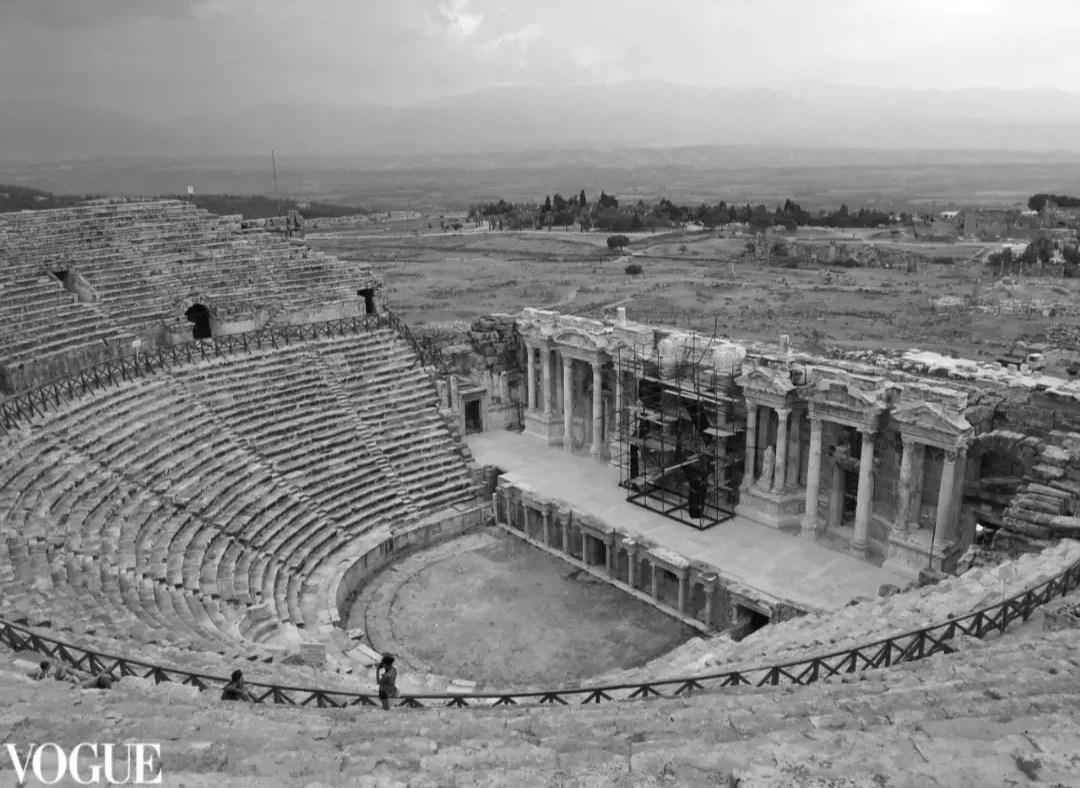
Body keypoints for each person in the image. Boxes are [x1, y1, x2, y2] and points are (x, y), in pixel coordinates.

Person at [31, 660, 113, 690]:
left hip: (57, 682)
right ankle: (104, 672)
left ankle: (104, 672)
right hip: (58, 683)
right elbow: (50, 680)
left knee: (65, 669)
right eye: (49, 665)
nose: (50, 666)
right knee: (66, 669)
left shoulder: (41, 674)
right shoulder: (45, 674)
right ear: (47, 666)